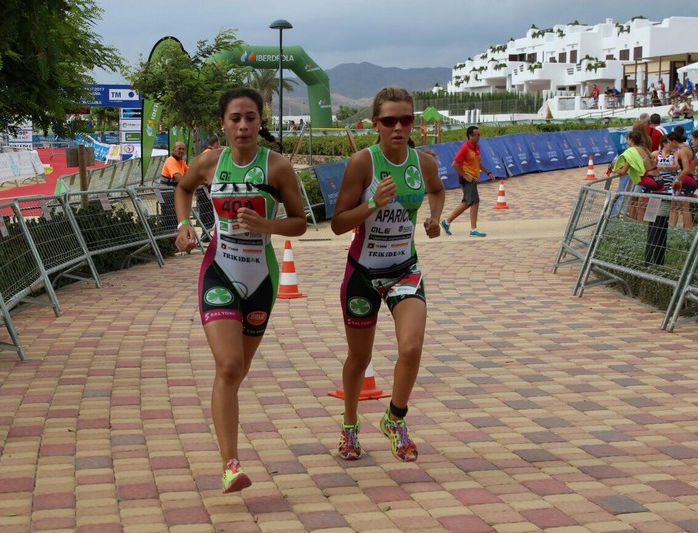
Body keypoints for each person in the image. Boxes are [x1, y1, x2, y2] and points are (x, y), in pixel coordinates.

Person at [173, 87, 307, 493]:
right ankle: (230, 464)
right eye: (236, 118)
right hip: (219, 271)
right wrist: (184, 226)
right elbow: (182, 189)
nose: (244, 125)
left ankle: (225, 431)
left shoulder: (278, 167)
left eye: (251, 117)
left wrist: (267, 226)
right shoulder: (210, 162)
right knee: (229, 366)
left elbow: (301, 221)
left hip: (261, 280)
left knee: (238, 371)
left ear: (261, 122)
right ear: (223, 124)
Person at [330, 86, 444, 463]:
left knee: (411, 348)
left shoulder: (423, 162)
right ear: (375, 123)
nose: (399, 127)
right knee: (358, 360)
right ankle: (349, 427)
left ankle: (395, 419)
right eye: (390, 120)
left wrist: (434, 218)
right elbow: (337, 223)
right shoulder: (363, 163)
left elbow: (438, 190)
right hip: (362, 273)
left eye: (406, 119)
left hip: (404, 271)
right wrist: (372, 204)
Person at [441, 126, 496, 237]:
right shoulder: (465, 148)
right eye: (476, 135)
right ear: (470, 136)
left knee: (467, 203)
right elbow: (454, 164)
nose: (479, 136)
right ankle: (473, 229)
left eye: (479, 134)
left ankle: (446, 222)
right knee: (475, 203)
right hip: (468, 179)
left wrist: (488, 173)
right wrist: (465, 176)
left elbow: (478, 163)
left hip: (474, 178)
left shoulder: (477, 147)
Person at [159, 142, 189, 230]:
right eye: (179, 148)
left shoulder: (181, 162)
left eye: (183, 149)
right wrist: (190, 187)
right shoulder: (171, 160)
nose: (181, 151)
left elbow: (190, 173)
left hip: (172, 193)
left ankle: (171, 237)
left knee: (174, 216)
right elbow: (177, 177)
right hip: (166, 193)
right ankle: (169, 237)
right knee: (170, 216)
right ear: (173, 149)